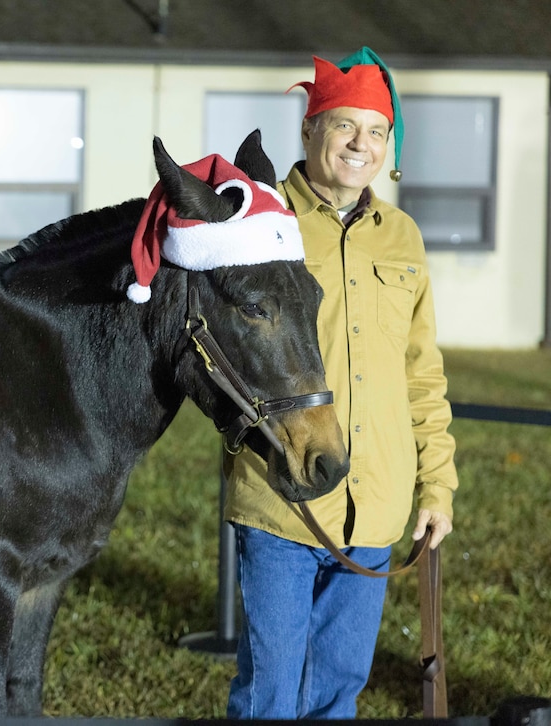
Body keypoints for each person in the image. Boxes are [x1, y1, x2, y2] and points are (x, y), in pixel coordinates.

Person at [223, 46, 459, 719]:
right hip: (284, 504)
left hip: (376, 511)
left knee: (337, 695)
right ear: (309, 129)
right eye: (344, 126)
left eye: (377, 131)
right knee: (268, 699)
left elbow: (423, 373)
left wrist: (436, 485)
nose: (361, 144)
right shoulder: (265, 223)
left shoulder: (403, 238)